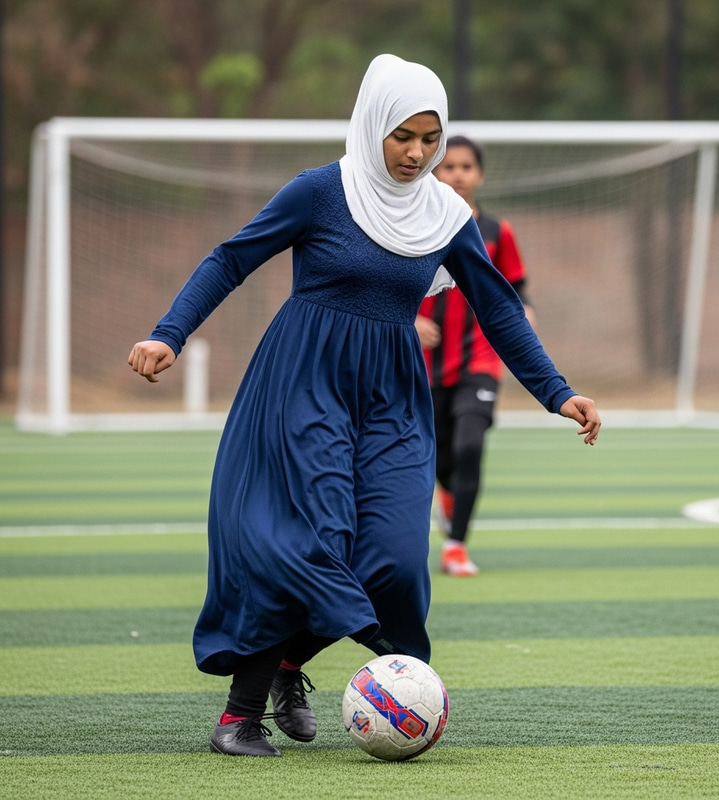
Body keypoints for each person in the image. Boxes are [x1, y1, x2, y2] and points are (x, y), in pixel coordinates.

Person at [128, 53, 601, 758]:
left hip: (392, 395)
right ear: (373, 124)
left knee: (396, 558)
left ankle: (292, 667)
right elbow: (231, 258)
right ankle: (240, 716)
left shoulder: (446, 214)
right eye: (402, 135)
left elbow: (499, 308)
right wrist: (169, 332)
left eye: (430, 139)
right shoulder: (319, 192)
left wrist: (558, 391)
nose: (417, 154)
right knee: (308, 542)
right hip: (302, 382)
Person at [416, 135, 535, 576]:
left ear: (480, 175)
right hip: (422, 365)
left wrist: (527, 310)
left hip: (479, 361)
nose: (458, 175)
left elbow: (516, 285)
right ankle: (448, 498)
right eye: (449, 167)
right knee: (439, 457)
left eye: (467, 167)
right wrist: (409, 321)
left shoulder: (497, 232)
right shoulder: (413, 223)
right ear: (434, 172)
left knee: (469, 446)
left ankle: (456, 546)